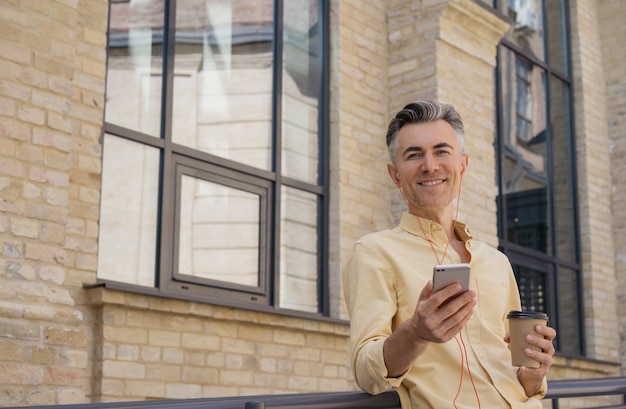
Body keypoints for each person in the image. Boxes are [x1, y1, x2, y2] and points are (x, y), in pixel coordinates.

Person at [342, 100, 557, 408]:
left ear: (463, 165)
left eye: (441, 151)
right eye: (414, 154)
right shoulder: (374, 253)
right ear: (395, 175)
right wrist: (416, 333)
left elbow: (522, 378)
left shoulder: (496, 262)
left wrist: (535, 373)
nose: (429, 165)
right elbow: (366, 372)